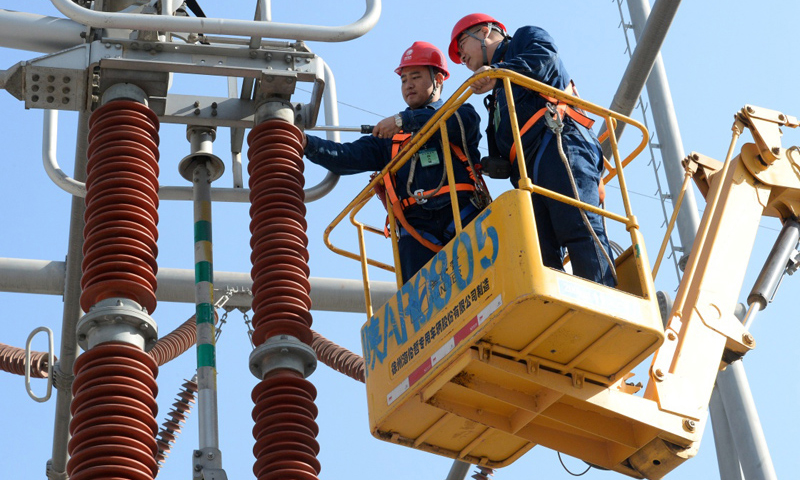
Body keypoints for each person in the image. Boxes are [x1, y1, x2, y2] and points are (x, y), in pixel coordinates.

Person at [448, 13, 616, 286]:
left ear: (484, 31)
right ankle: (556, 310)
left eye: (461, 45)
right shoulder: (497, 98)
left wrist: (498, 75)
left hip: (561, 142)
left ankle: (603, 296)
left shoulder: (524, 39)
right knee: (539, 249)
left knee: (577, 223)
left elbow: (544, 59)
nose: (460, 56)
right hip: (529, 170)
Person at [303, 41, 488, 283]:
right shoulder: (392, 138)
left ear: (439, 79)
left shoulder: (460, 114)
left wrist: (403, 120)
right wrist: (306, 143)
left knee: (486, 280)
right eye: (403, 80)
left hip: (461, 213)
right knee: (420, 304)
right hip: (416, 231)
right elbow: (345, 156)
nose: (408, 84)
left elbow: (447, 121)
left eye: (416, 77)